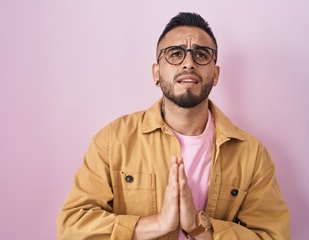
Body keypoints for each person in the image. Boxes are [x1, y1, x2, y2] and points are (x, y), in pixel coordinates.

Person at [57, 12, 290, 240]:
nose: (188, 63)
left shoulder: (251, 154)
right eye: (175, 54)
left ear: (216, 74)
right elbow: (72, 228)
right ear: (156, 73)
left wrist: (200, 229)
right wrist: (156, 224)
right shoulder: (112, 141)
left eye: (201, 55)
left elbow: (272, 235)